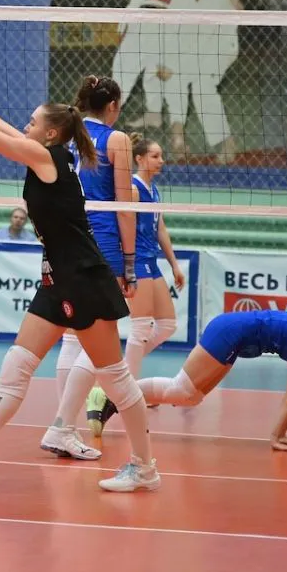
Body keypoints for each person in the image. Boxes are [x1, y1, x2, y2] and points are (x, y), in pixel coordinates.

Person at [0, 32, 159, 493]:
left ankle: (145, 466)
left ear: (50, 133)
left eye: (31, 122)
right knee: (17, 365)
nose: (24, 126)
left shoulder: (44, 156)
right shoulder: (46, 153)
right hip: (57, 277)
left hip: (82, 278)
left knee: (116, 379)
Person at [45, 75, 137, 460]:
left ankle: (64, 426)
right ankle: (62, 425)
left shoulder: (67, 132)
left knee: (72, 335)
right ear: (112, 105)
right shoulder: (117, 141)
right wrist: (129, 262)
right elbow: (124, 207)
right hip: (102, 242)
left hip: (67, 237)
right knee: (100, 337)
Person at [136, 310, 287, 451]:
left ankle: (128, 396)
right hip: (230, 332)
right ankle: (121, 394)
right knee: (181, 390)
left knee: (191, 397)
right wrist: (277, 436)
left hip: (236, 338)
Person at [87, 133, 185, 435]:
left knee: (167, 325)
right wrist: (123, 262)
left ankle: (118, 380)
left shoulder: (153, 190)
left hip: (151, 261)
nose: (161, 160)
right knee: (141, 327)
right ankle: (121, 393)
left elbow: (160, 228)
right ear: (139, 158)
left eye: (161, 155)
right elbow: (122, 222)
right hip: (136, 260)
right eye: (155, 156)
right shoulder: (131, 188)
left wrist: (174, 264)